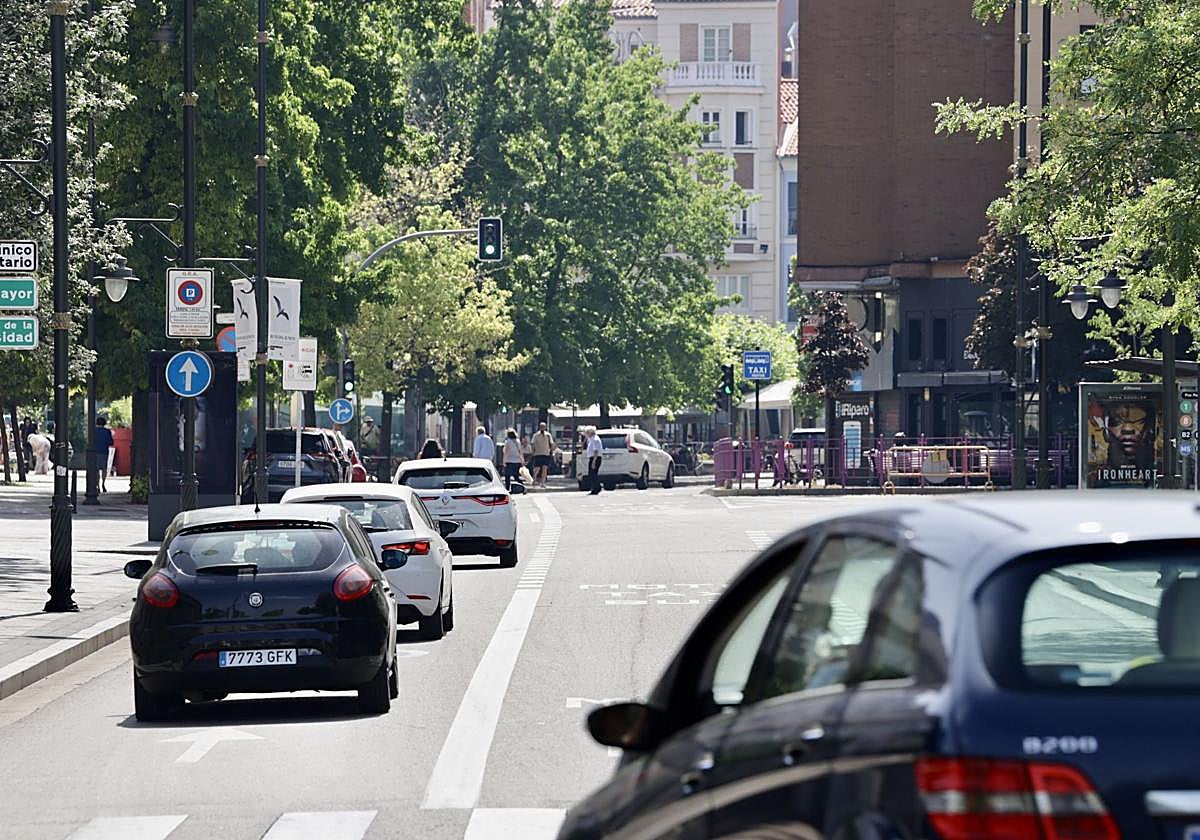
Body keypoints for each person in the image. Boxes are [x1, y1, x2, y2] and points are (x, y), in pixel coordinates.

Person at [531, 421, 555, 488]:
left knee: (545, 468)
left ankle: (543, 482)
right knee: (537, 468)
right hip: (538, 453)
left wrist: (551, 451)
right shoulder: (536, 435)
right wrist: (533, 452)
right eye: (541, 427)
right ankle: (534, 480)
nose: (542, 428)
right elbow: (532, 444)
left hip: (545, 454)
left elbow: (551, 444)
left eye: (544, 427)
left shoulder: (548, 435)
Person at [94, 415, 114, 492]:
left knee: (96, 470)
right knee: (104, 469)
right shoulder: (107, 431)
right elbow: (111, 442)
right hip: (104, 452)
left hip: (95, 452)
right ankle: (103, 483)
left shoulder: (94, 431)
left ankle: (97, 486)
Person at [584, 426, 604, 494]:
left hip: (595, 458)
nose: (586, 434)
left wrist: (594, 462)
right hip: (593, 458)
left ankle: (596, 488)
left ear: (590, 432)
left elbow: (596, 451)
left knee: (593, 474)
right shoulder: (591, 439)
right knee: (592, 474)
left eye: (587, 432)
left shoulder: (595, 440)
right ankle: (596, 487)